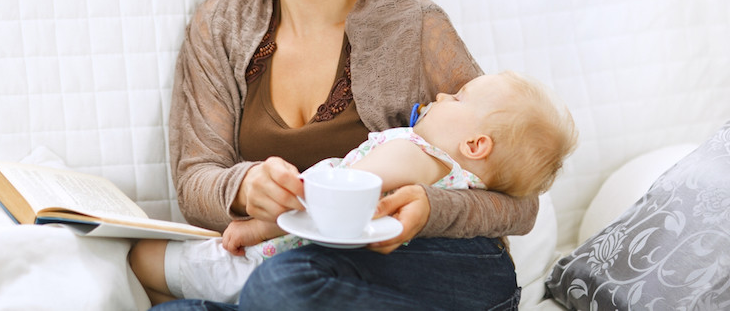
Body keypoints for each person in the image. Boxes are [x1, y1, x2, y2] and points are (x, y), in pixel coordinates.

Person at [147, 0, 542, 310]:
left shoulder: (414, 23)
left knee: (282, 286)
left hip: (435, 266)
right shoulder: (220, 26)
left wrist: (430, 208)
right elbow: (195, 179)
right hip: (302, 267)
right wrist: (245, 187)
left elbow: (521, 202)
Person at [130, 70, 578, 305]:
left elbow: (335, 195)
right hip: (323, 263)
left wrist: (258, 226)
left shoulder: (417, 152)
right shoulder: (449, 166)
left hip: (280, 251)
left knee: (141, 260)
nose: (442, 95)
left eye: (457, 98)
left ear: (476, 144)